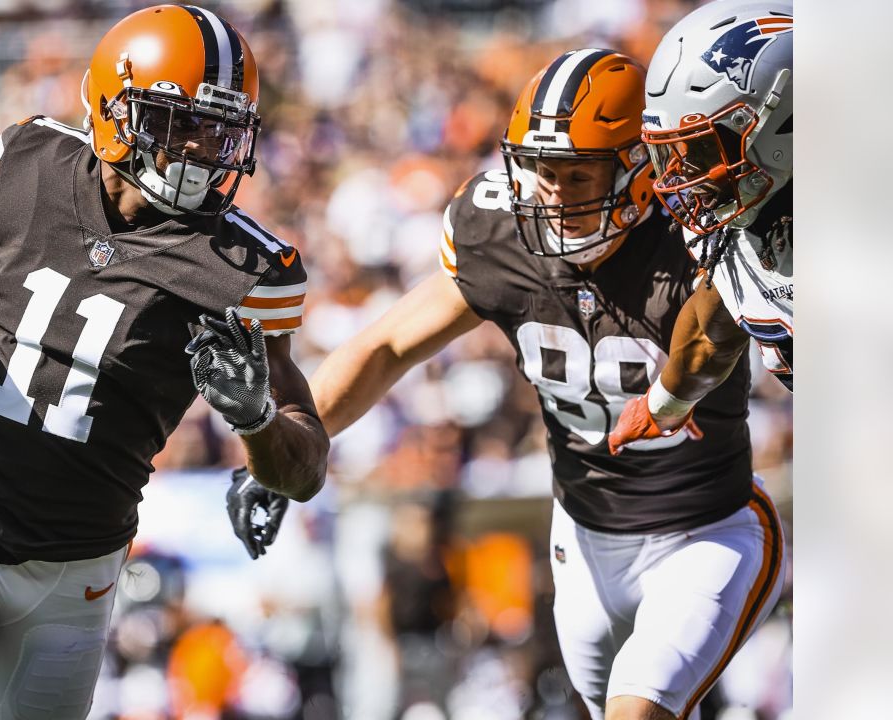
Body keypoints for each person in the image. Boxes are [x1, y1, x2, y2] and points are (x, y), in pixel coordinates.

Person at [0, 6, 328, 719]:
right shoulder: (27, 162)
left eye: (220, 127)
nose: (205, 149)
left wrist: (257, 416)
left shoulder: (246, 268)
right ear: (115, 108)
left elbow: (305, 466)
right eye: (182, 123)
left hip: (79, 571)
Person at [235, 49, 783, 720]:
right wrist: (284, 436)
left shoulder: (692, 235)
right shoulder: (497, 233)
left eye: (577, 174)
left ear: (640, 168)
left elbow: (714, 337)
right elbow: (385, 346)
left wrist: (669, 402)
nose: (552, 194)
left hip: (707, 530)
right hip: (582, 540)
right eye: (540, 171)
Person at [609, 0, 793, 453]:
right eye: (676, 151)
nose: (683, 173)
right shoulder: (751, 212)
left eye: (703, 149)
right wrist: (663, 405)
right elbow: (717, 321)